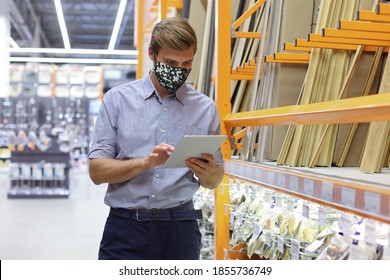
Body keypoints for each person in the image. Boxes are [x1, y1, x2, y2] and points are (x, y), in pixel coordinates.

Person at [88, 17, 225, 260]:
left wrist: (207, 171)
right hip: (125, 228)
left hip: (180, 228)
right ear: (152, 54)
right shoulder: (117, 100)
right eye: (170, 62)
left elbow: (214, 181)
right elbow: (97, 172)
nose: (178, 70)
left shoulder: (205, 108)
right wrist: (146, 163)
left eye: (186, 64)